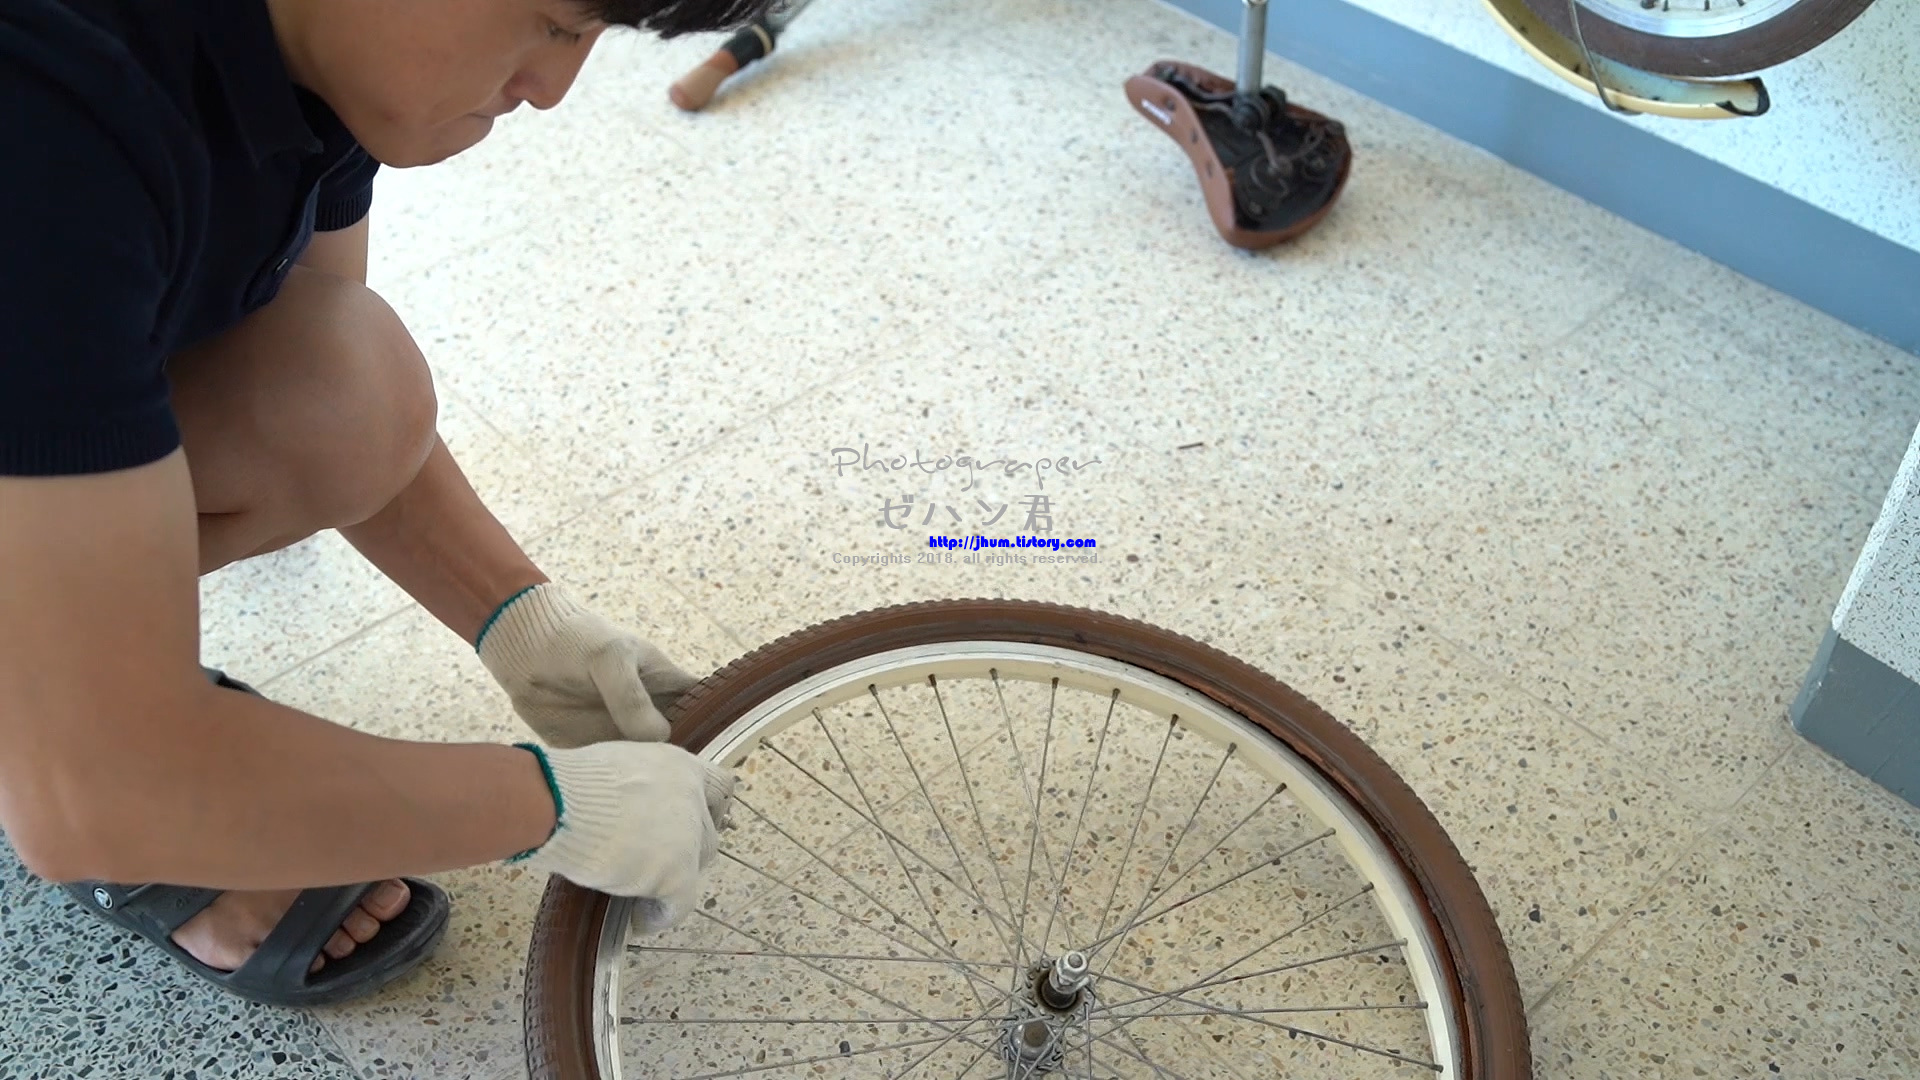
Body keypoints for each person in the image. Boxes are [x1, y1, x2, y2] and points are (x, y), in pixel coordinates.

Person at [0, 0, 772, 1007]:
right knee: (105, 774)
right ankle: (63, 712)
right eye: (550, 23)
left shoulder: (311, 54)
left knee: (342, 384)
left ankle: (89, 688)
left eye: (591, 37)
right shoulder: (44, 126)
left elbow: (308, 382)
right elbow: (93, 803)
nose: (552, 90)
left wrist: (518, 617)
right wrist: (544, 806)